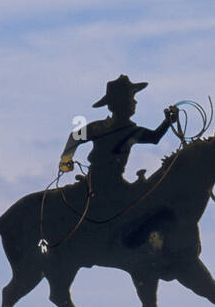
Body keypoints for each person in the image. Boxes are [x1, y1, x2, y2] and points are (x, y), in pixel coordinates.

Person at [58, 75, 180, 208]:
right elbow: (75, 137)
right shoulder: (99, 128)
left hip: (116, 183)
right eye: (131, 98)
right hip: (98, 184)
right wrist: (66, 160)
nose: (135, 102)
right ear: (119, 103)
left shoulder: (131, 131)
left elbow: (154, 137)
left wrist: (167, 122)